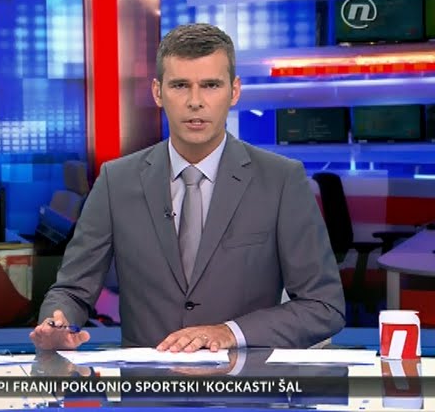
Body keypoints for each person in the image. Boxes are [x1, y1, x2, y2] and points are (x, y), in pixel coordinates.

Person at [31, 23, 345, 353]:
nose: (195, 101)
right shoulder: (116, 181)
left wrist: (230, 332)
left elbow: (323, 307)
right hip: (149, 383)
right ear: (158, 92)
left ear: (234, 91)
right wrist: (57, 323)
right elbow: (71, 290)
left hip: (244, 382)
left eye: (211, 85)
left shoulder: (281, 180)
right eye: (180, 85)